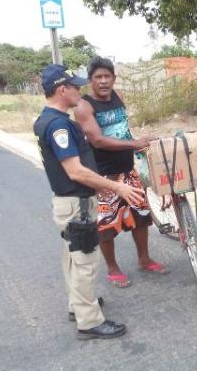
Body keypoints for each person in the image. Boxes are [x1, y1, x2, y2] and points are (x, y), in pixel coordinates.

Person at [34, 63, 144, 340]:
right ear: (62, 90)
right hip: (77, 202)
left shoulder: (50, 119)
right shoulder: (58, 125)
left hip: (69, 201)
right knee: (85, 262)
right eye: (76, 87)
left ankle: (78, 304)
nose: (80, 93)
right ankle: (89, 320)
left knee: (73, 258)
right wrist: (116, 186)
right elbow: (75, 171)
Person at [75, 56, 165, 289]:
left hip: (127, 169)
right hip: (103, 175)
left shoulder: (118, 97)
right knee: (106, 224)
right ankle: (113, 268)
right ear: (90, 81)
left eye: (107, 76)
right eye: (98, 77)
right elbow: (97, 140)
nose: (104, 81)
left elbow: (123, 129)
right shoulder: (84, 106)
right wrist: (134, 144)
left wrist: (137, 146)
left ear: (114, 78)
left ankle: (144, 258)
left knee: (141, 216)